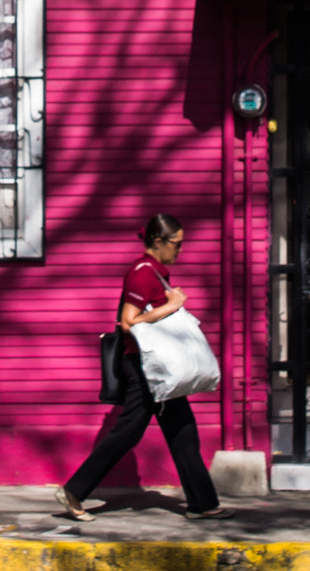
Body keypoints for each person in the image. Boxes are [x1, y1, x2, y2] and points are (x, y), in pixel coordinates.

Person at [55, 213, 228, 522]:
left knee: (183, 431)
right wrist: (171, 306)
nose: (180, 250)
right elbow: (127, 322)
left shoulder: (155, 273)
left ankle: (203, 503)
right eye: (177, 244)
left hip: (159, 366)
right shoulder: (142, 273)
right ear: (158, 242)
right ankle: (74, 492)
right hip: (145, 366)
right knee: (128, 432)